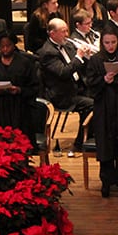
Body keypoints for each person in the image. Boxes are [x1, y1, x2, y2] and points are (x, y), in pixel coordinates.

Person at [84, 27, 118, 197]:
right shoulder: (95, 60)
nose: (110, 46)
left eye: (113, 42)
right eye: (107, 42)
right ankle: (106, 183)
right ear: (102, 42)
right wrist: (104, 80)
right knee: (105, 145)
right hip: (103, 108)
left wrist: (114, 81)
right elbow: (90, 83)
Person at [38, 18, 94, 154]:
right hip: (62, 95)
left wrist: (86, 57)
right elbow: (63, 73)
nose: (67, 34)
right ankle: (81, 142)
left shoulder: (67, 45)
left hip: (77, 87)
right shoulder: (47, 53)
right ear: (52, 33)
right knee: (93, 105)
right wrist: (79, 57)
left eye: (66, 30)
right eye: (63, 31)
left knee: (104, 95)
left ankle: (94, 137)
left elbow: (78, 68)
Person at [0, 31, 39, 136]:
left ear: (14, 45)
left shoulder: (25, 63)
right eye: (2, 46)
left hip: (20, 108)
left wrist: (20, 90)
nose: (5, 49)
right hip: (0, 109)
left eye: (8, 46)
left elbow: (35, 87)